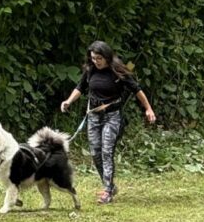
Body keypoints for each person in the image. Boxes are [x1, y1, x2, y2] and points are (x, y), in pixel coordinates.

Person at [60, 40, 156, 204]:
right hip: (93, 117)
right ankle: (109, 185)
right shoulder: (90, 70)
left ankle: (107, 191)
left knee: (106, 151)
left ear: (107, 57)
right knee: (95, 153)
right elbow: (80, 87)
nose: (96, 61)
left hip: (112, 117)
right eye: (93, 58)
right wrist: (68, 101)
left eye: (99, 58)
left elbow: (137, 90)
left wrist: (148, 108)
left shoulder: (118, 71)